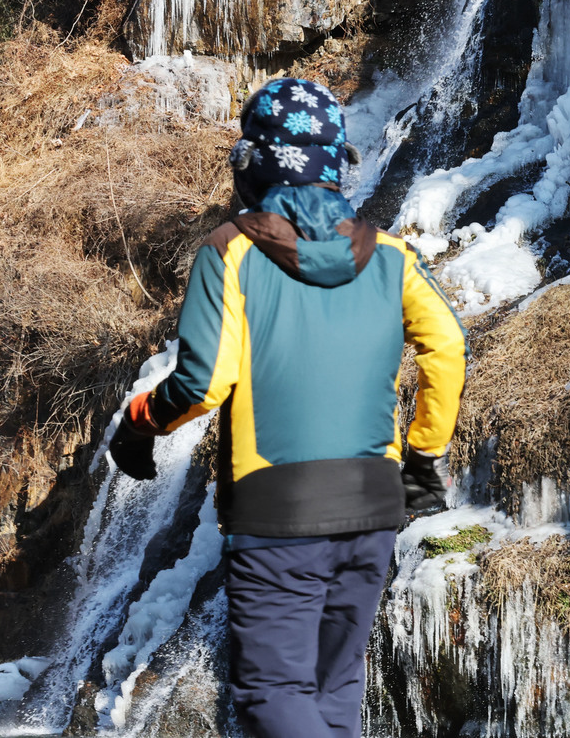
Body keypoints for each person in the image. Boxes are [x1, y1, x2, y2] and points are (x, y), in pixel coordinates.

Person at [104, 77, 467, 738]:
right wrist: (422, 457)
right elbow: (447, 344)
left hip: (280, 510)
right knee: (333, 693)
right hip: (373, 508)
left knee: (272, 697)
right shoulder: (390, 256)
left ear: (256, 162)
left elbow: (204, 382)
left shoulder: (230, 251)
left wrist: (139, 423)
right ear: (338, 164)